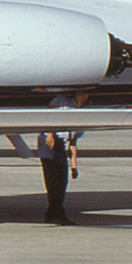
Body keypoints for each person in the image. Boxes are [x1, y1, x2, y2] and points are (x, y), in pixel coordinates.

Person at [37, 89, 89, 225]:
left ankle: (52, 213)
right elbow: (49, 114)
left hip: (60, 144)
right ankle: (59, 215)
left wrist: (74, 166)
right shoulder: (62, 100)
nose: (82, 95)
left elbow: (73, 143)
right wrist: (49, 133)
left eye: (85, 94)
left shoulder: (81, 116)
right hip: (49, 141)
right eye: (81, 93)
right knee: (52, 179)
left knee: (61, 181)